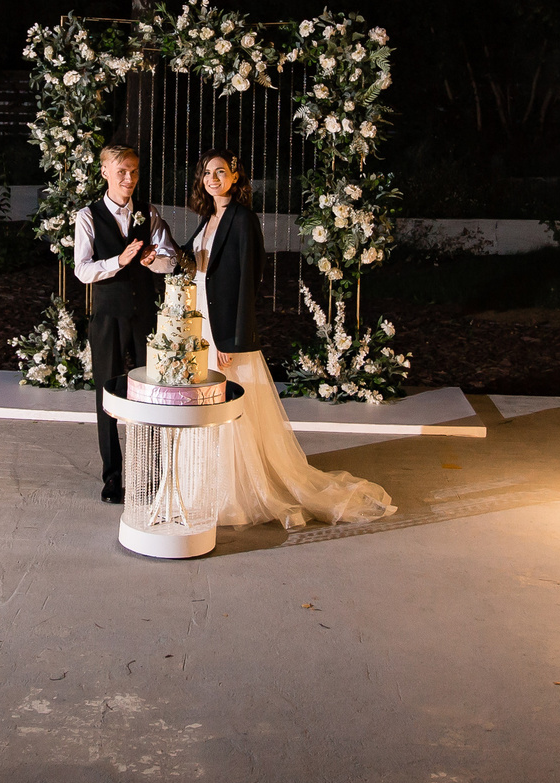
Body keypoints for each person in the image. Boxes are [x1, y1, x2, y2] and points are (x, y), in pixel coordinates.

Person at [189, 149, 395, 530]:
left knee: (234, 410)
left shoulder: (243, 219)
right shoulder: (208, 219)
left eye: (220, 172)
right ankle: (210, 484)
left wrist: (231, 341)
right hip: (201, 320)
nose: (212, 178)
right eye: (206, 173)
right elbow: (195, 264)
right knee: (210, 408)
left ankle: (238, 493)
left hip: (225, 332)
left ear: (235, 177)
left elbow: (250, 282)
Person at [73, 144, 177, 503]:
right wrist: (119, 259)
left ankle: (153, 473)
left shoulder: (148, 212)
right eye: (122, 171)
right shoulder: (88, 216)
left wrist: (152, 261)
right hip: (108, 317)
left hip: (145, 317)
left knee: (153, 394)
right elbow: (83, 270)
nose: (129, 178)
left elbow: (171, 259)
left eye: (134, 171)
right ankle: (113, 478)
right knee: (108, 396)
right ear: (104, 172)